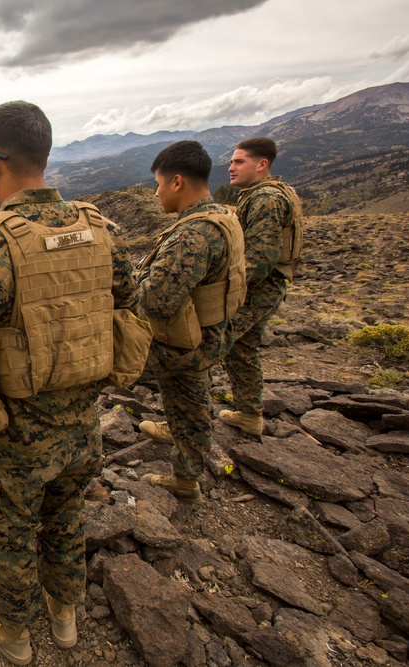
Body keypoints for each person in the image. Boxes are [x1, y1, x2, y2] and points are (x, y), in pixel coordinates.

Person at [0, 101, 137, 665]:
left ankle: (12, 629)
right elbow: (127, 319)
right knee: (66, 511)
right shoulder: (106, 233)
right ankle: (65, 615)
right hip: (84, 424)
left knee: (8, 528)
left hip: (10, 435)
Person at [136, 141, 246, 502]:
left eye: (159, 184)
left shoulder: (193, 234)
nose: (156, 193)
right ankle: (185, 456)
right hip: (211, 332)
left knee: (98, 365)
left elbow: (156, 299)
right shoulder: (224, 215)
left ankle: (184, 479)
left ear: (178, 182)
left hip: (186, 342)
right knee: (190, 396)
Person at [220, 137, 303, 436]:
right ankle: (249, 413)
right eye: (232, 161)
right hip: (268, 287)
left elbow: (261, 257)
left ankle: (185, 421)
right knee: (241, 347)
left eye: (239, 161)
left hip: (257, 290)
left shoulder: (266, 198)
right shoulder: (271, 192)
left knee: (206, 345)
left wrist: (223, 287)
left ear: (262, 164)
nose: (231, 167)